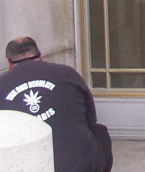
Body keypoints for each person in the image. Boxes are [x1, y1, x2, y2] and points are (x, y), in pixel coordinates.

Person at [0, 37, 113, 172]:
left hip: (25, 164)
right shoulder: (67, 73)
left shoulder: (2, 84)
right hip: (80, 166)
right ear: (40, 56)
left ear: (9, 63)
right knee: (99, 132)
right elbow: (90, 118)